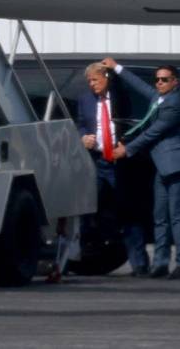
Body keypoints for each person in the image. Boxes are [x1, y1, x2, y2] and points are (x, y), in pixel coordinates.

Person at [105, 58, 180, 280]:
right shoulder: (160, 97)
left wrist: (126, 149)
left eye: (164, 80)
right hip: (162, 166)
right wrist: (117, 67)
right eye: (157, 79)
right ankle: (160, 263)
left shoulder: (174, 104)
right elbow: (140, 86)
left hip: (178, 166)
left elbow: (152, 133)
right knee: (159, 216)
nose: (159, 83)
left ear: (175, 82)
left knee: (177, 216)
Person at [76, 62, 150, 277]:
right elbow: (80, 123)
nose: (92, 85)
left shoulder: (121, 98)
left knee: (128, 211)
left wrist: (126, 144)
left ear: (106, 78)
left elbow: (137, 122)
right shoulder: (84, 99)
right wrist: (82, 137)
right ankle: (80, 259)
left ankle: (140, 265)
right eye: (89, 81)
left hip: (119, 161)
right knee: (87, 210)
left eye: (95, 80)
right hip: (95, 160)